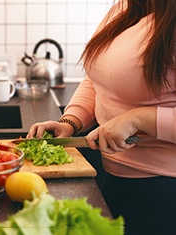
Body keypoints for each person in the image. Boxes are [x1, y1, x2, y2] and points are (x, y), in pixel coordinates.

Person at [27, 0, 176, 234]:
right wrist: (71, 121)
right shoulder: (125, 9)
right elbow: (97, 80)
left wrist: (139, 119)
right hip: (112, 177)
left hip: (162, 190)